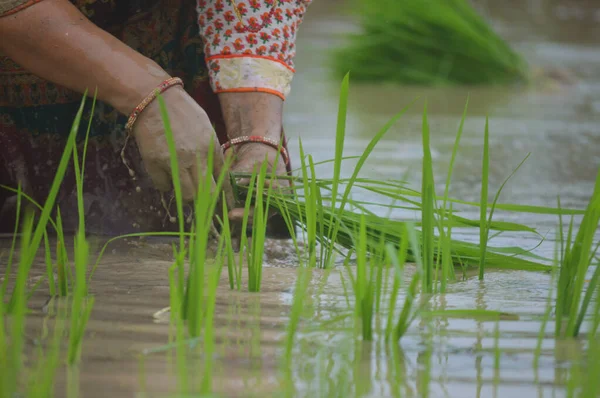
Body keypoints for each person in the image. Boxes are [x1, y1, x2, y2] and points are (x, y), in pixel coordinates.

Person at [0, 0, 311, 236]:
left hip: (184, 40)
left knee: (232, 243)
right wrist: (150, 97)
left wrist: (255, 136)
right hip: (25, 53)